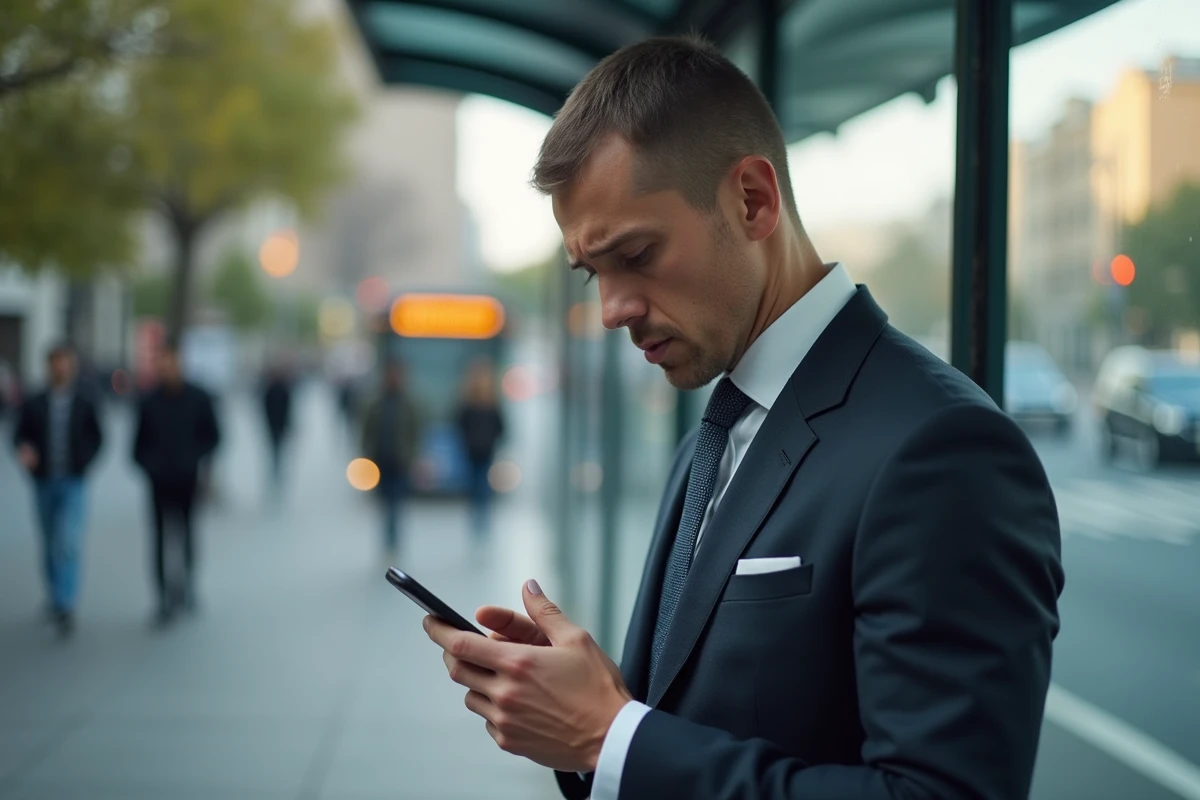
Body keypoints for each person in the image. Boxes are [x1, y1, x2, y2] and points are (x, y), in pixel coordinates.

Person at [420, 35, 1064, 800]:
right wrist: (587, 720)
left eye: (636, 255)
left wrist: (610, 736)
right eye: (593, 273)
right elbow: (690, 717)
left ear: (753, 200)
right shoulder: (713, 435)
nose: (612, 310)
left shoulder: (944, 448)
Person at [11, 344, 103, 637]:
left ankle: (66, 603)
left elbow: (98, 437)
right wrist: (24, 451)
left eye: (66, 363)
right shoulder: (34, 401)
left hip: (73, 480)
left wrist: (84, 461)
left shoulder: (85, 401)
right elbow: (19, 435)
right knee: (50, 541)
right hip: (44, 481)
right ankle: (54, 595)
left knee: (69, 541)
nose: (61, 369)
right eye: (56, 363)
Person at [133, 346, 221, 625]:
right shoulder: (149, 400)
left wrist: (194, 459)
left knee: (188, 534)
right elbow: (137, 446)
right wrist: (151, 467)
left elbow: (214, 436)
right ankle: (162, 596)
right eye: (164, 363)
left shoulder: (198, 398)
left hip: (188, 479)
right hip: (158, 483)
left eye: (173, 363)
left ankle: (188, 586)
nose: (168, 368)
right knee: (159, 538)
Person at [359, 361, 420, 559]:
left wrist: (412, 456)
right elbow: (367, 432)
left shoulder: (409, 404)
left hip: (401, 463)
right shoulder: (376, 403)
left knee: (397, 503)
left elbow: (416, 432)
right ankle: (387, 538)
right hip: (381, 462)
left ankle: (394, 540)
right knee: (385, 503)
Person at [455, 359, 506, 541]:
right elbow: (460, 425)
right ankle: (478, 520)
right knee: (475, 486)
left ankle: (481, 521)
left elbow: (501, 428)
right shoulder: (471, 405)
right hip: (473, 452)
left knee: (481, 486)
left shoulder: (490, 405)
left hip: (484, 452)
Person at [261, 361, 294, 498]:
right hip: (274, 426)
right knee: (275, 451)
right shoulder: (272, 390)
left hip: (278, 426)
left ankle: (277, 472)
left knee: (277, 451)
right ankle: (276, 472)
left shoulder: (279, 389)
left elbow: (288, 409)